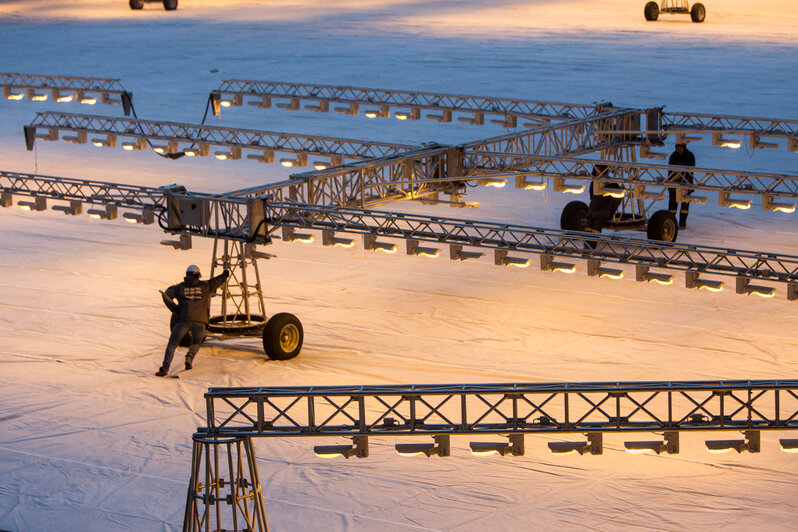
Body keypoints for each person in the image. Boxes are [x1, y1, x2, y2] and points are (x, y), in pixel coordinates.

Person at [156, 265, 230, 376]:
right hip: (200, 322)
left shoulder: (179, 287)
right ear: (198, 275)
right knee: (196, 343)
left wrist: (175, 310)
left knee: (172, 344)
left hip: (184, 320)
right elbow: (216, 281)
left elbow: (166, 295)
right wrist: (225, 274)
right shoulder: (205, 286)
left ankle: (164, 369)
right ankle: (189, 357)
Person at [585, 164, 623, 233]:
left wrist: (610, 212)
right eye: (596, 170)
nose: (597, 172)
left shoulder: (611, 183)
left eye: (599, 170)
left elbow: (617, 198)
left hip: (602, 211)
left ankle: (591, 237)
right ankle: (589, 237)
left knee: (595, 225)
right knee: (589, 225)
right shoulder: (595, 182)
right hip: (596, 210)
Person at [667, 142, 696, 229]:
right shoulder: (673, 156)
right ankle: (671, 223)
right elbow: (671, 170)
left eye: (680, 148)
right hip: (673, 184)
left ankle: (682, 224)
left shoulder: (689, 156)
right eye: (677, 148)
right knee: (672, 206)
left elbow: (690, 170)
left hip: (686, 184)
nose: (679, 150)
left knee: (685, 206)